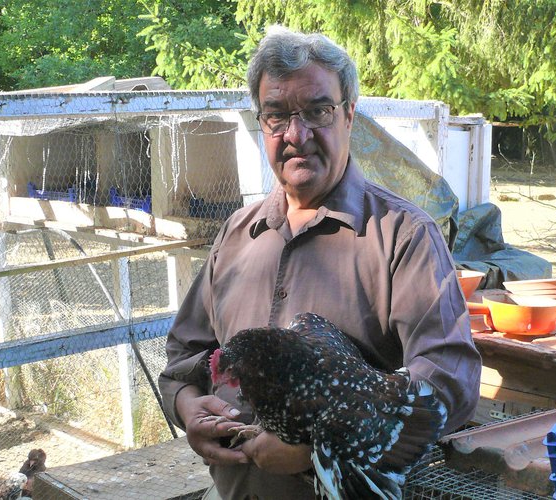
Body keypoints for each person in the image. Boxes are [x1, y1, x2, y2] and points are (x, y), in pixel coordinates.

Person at [159, 25, 482, 499]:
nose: (296, 134)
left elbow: (449, 379)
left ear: (349, 115)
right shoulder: (235, 234)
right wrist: (189, 410)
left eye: (317, 111)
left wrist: (318, 448)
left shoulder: (402, 235)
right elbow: (184, 357)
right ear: (262, 123)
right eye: (276, 115)